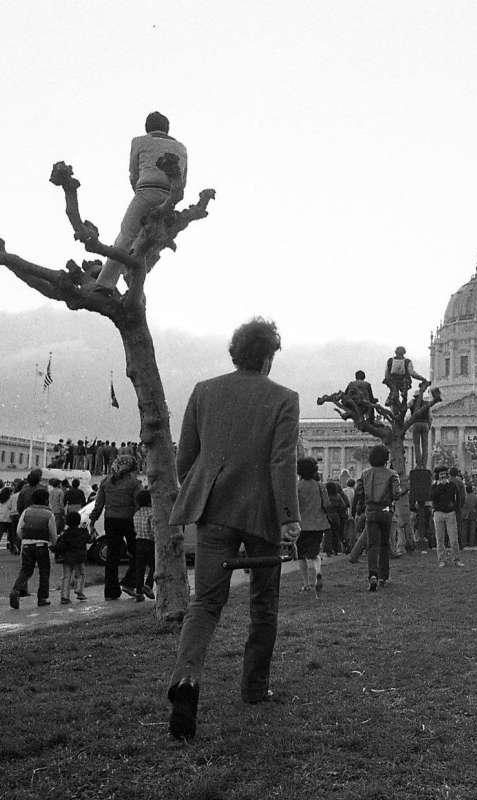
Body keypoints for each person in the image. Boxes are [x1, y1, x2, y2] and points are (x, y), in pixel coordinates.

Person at [167, 317, 301, 740]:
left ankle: (187, 681)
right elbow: (282, 462)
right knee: (264, 603)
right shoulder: (284, 398)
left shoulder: (203, 391)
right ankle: (254, 688)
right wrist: (289, 515)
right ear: (267, 357)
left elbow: (186, 458)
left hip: (216, 509)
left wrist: (205, 492)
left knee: (205, 604)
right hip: (262, 511)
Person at [96, 111, 188, 293]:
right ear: (167, 129)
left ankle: (104, 284)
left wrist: (139, 192)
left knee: (126, 234)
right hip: (171, 196)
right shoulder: (182, 148)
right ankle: (136, 276)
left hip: (146, 190)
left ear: (147, 128)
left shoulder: (139, 141)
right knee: (153, 240)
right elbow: (183, 180)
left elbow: (133, 173)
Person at [90, 455, 143, 599]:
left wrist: (92, 521)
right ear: (132, 469)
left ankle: (110, 592)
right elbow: (139, 505)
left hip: (110, 520)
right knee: (137, 553)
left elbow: (98, 504)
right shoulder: (135, 483)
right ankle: (129, 582)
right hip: (129, 520)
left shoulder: (106, 482)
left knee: (112, 556)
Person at [357, 444, 400, 590]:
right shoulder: (392, 474)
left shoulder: (365, 474)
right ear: (386, 458)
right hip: (386, 510)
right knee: (384, 544)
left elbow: (359, 493)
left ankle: (372, 575)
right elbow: (396, 494)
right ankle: (383, 576)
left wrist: (358, 509)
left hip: (370, 510)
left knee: (372, 545)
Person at [9, 488, 57, 608]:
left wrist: (25, 539)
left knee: (26, 570)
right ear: (46, 500)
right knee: (44, 571)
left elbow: (19, 530)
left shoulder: (26, 511)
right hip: (42, 545)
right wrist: (53, 543)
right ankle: (42, 598)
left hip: (26, 544)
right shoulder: (49, 514)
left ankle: (16, 590)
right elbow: (53, 534)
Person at [295, 458, 330, 595]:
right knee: (315, 553)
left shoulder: (297, 487)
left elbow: (294, 506)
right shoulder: (320, 486)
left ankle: (306, 583)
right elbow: (326, 504)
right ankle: (318, 573)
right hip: (318, 524)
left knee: (301, 555)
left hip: (302, 525)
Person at [430, 465, 464, 567]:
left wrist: (455, 509)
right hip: (438, 513)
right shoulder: (434, 486)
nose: (443, 476)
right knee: (439, 538)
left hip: (450, 513)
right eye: (441, 474)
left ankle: (456, 559)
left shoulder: (452, 485)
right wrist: (440, 486)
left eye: (444, 474)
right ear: (438, 475)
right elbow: (432, 496)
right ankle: (442, 559)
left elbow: (456, 498)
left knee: (453, 538)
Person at [54, 511, 91, 604]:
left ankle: (64, 597)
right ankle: (79, 590)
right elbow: (89, 539)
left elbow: (61, 546)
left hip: (67, 558)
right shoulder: (82, 532)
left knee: (66, 576)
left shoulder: (65, 534)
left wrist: (54, 549)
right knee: (81, 574)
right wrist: (86, 530)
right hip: (79, 558)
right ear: (78, 521)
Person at [132, 489, 156, 601]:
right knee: (155, 565)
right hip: (150, 542)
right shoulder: (152, 513)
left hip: (139, 542)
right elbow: (153, 530)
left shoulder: (136, 514)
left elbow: (135, 529)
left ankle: (138, 592)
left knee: (140, 568)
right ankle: (148, 584)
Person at [410, 389, 431, 469]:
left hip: (416, 423)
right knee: (425, 446)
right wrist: (428, 426)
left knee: (417, 445)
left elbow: (406, 407)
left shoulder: (412, 402)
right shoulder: (427, 403)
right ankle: (424, 465)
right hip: (425, 424)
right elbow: (430, 417)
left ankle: (418, 464)